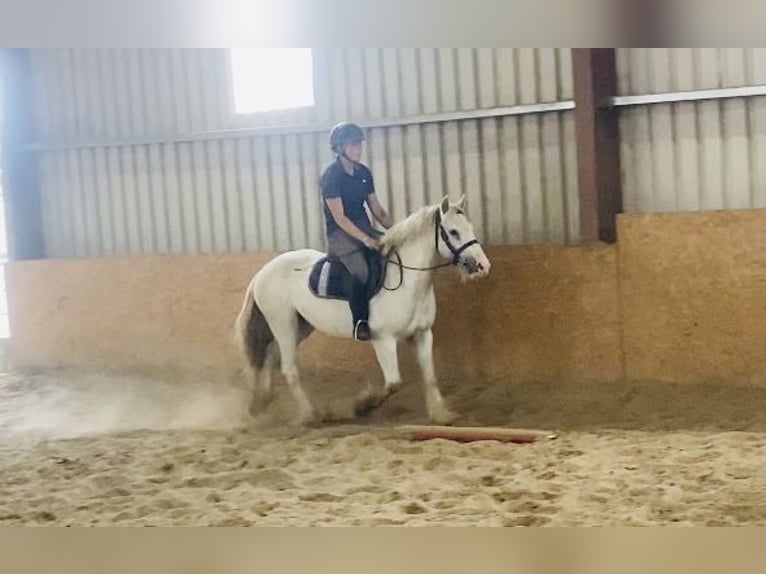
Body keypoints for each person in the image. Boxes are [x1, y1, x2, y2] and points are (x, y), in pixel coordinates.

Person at [320, 121, 394, 341]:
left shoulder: (363, 172)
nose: (358, 150)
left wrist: (399, 232)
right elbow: (340, 218)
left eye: (359, 145)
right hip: (340, 234)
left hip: (365, 228)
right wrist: (364, 239)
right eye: (353, 145)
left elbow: (378, 210)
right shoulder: (331, 176)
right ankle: (359, 321)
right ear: (340, 148)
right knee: (360, 270)